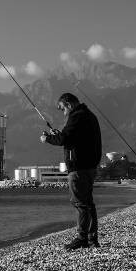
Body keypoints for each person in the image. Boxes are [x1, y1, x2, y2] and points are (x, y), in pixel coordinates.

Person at [40, 93, 102, 250]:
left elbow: (64, 140)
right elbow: (73, 138)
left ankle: (82, 238)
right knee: (88, 203)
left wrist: (47, 139)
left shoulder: (76, 117)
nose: (63, 112)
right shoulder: (90, 116)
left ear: (69, 104)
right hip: (90, 167)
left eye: (62, 109)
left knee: (80, 203)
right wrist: (60, 135)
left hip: (79, 168)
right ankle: (91, 239)